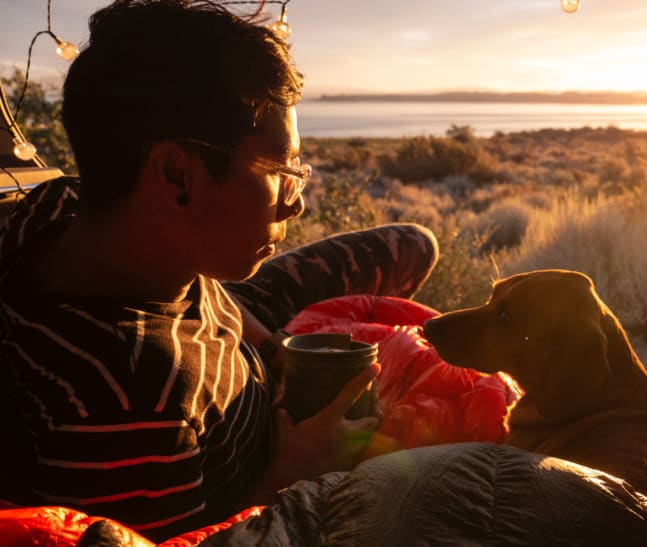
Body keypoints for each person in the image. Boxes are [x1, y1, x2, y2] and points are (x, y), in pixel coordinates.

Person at [0, 0, 438, 541]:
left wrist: (271, 346)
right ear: (177, 175)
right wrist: (294, 471)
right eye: (281, 170)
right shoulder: (128, 406)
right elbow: (200, 540)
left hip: (239, 329)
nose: (295, 203)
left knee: (412, 243)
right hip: (265, 465)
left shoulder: (65, 207)